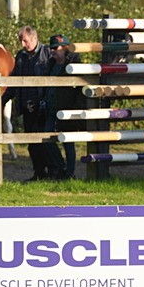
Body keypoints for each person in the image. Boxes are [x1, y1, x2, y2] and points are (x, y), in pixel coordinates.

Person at [12, 26, 65, 181]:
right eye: (21, 41)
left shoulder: (47, 54)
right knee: (32, 143)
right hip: (26, 105)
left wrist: (40, 101)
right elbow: (14, 79)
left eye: (25, 40)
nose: (23, 44)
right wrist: (2, 100)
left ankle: (56, 170)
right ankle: (39, 173)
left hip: (42, 105)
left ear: (34, 38)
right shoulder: (20, 56)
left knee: (46, 140)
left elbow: (50, 79)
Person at [45, 34, 82, 179]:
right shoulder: (51, 64)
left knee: (68, 142)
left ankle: (70, 172)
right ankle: (61, 166)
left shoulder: (75, 64)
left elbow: (80, 89)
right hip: (51, 107)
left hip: (68, 107)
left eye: (56, 48)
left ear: (65, 48)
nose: (53, 51)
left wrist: (76, 107)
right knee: (46, 137)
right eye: (51, 48)